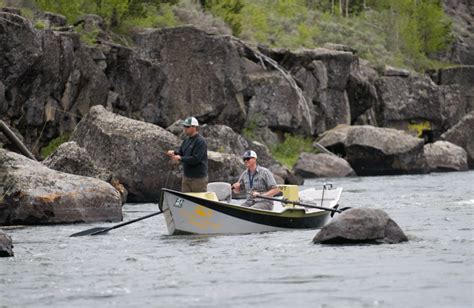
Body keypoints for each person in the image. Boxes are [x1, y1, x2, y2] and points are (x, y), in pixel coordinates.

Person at [166, 117, 208, 192]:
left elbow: (196, 159)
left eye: (187, 126)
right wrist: (174, 153)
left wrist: (180, 158)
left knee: (198, 202)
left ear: (194, 127)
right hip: (186, 177)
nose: (185, 128)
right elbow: (181, 153)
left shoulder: (201, 141)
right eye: (184, 126)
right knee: (185, 200)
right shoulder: (186, 140)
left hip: (198, 179)